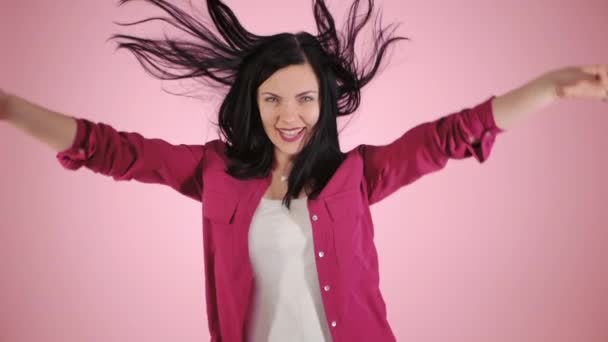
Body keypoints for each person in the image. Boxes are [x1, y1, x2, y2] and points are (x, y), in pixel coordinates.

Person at [1, 0, 606, 341]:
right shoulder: (214, 174)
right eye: (273, 99)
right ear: (253, 102)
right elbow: (111, 149)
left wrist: (550, 87)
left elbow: (450, 137)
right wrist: (7, 108)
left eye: (305, 99)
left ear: (325, 102)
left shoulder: (358, 176)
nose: (290, 115)